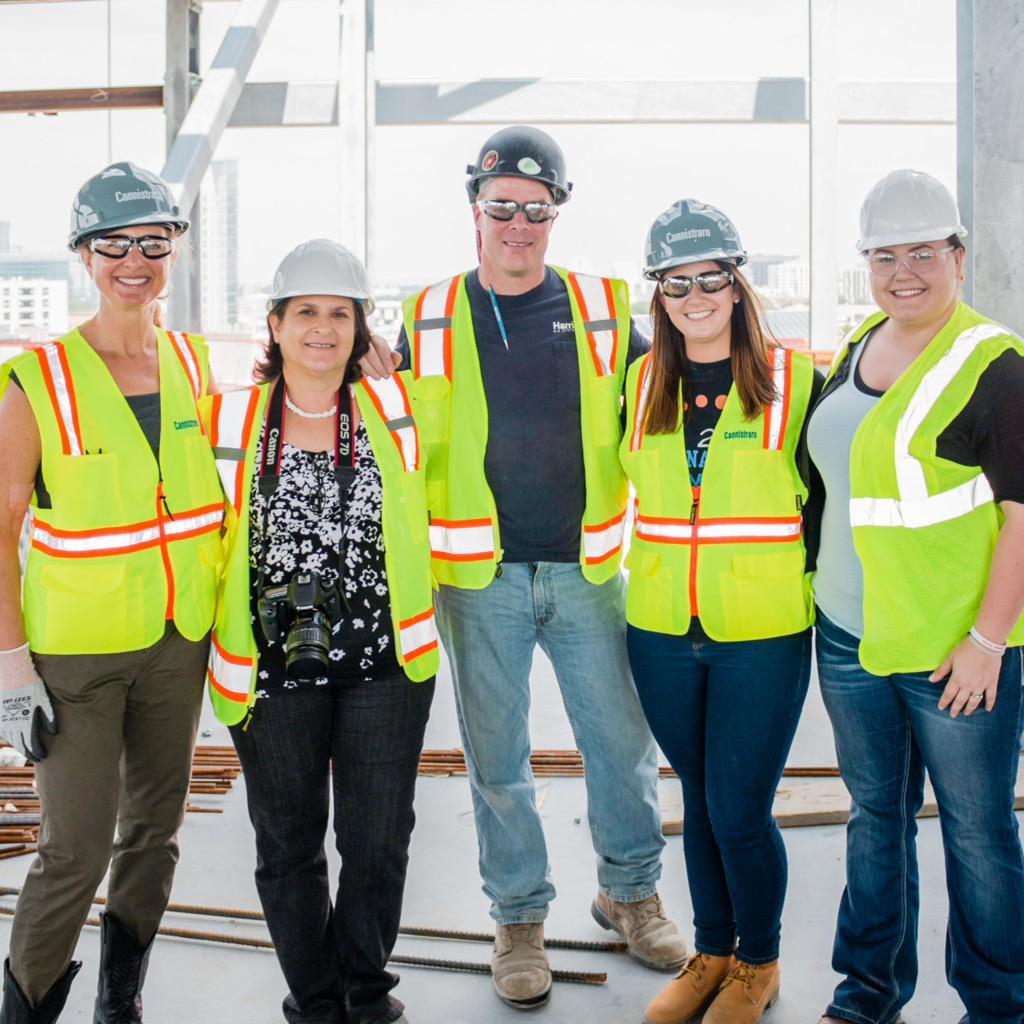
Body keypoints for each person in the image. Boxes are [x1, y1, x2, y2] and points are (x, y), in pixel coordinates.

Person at [382, 125, 684, 1010]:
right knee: (499, 761)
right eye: (501, 207)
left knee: (620, 746)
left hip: (586, 570)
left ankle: (629, 895)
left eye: (536, 209)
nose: (519, 224)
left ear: (557, 211)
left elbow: (660, 399)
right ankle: (517, 919)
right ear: (474, 209)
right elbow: (384, 420)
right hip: (480, 581)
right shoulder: (426, 315)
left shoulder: (598, 308)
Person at [0, 162, 223, 1023]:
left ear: (173, 251)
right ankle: (25, 1007)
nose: (135, 260)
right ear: (85, 257)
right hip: (76, 657)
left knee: (153, 836)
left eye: (152, 243)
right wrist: (13, 667)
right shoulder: (39, 380)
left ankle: (119, 996)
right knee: (72, 849)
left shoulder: (198, 369)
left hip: (178, 641)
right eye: (114, 244)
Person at [807, 169, 1024, 1024]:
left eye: (924, 253)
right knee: (873, 819)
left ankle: (999, 1006)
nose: (905, 272)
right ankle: (866, 994)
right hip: (850, 635)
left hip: (950, 651)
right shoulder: (862, 341)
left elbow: (1023, 517)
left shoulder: (995, 366)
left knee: (975, 833)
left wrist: (987, 640)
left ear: (958, 257)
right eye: (885, 255)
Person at [202, 239, 438, 1024]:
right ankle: (315, 998)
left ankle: (365, 986)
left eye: (341, 314)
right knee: (288, 843)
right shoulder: (228, 417)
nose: (322, 329)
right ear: (273, 324)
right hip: (270, 673)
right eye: (305, 312)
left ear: (360, 328)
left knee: (378, 839)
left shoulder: (397, 407)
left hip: (384, 663)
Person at [621, 200, 821, 1024]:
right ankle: (711, 953)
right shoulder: (639, 384)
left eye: (711, 278)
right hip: (664, 631)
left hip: (762, 634)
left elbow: (832, 505)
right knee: (698, 799)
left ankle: (759, 964)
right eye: (678, 282)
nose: (695, 294)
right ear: (659, 295)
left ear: (738, 287)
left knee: (740, 807)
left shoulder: (799, 378)